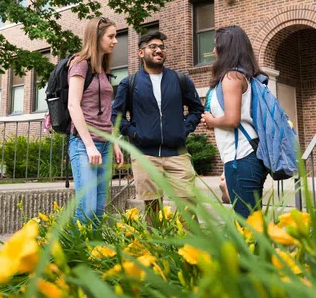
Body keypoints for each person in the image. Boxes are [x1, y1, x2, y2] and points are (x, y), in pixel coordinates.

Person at [112, 31, 204, 220]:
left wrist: (184, 129)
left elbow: (196, 109)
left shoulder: (181, 80)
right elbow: (116, 116)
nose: (159, 50)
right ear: (141, 53)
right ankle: (156, 246)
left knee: (188, 206)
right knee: (152, 209)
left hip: (177, 153)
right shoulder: (129, 83)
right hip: (144, 154)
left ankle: (187, 246)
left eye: (161, 47)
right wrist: (135, 134)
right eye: (153, 47)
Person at [201, 26, 267, 218]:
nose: (213, 50)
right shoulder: (243, 75)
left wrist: (211, 120)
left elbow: (232, 120)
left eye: (216, 46)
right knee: (250, 219)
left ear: (225, 48)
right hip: (242, 155)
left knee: (246, 222)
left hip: (243, 157)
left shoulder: (231, 77)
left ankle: (254, 249)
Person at [67, 17, 124, 225]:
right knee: (87, 208)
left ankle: (94, 255)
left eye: (115, 36)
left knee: (99, 210)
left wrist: (115, 141)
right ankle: (71, 256)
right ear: (96, 37)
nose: (115, 41)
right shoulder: (80, 64)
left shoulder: (103, 68)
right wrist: (90, 145)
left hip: (105, 144)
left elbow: (105, 112)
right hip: (84, 145)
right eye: (111, 36)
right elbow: (73, 105)